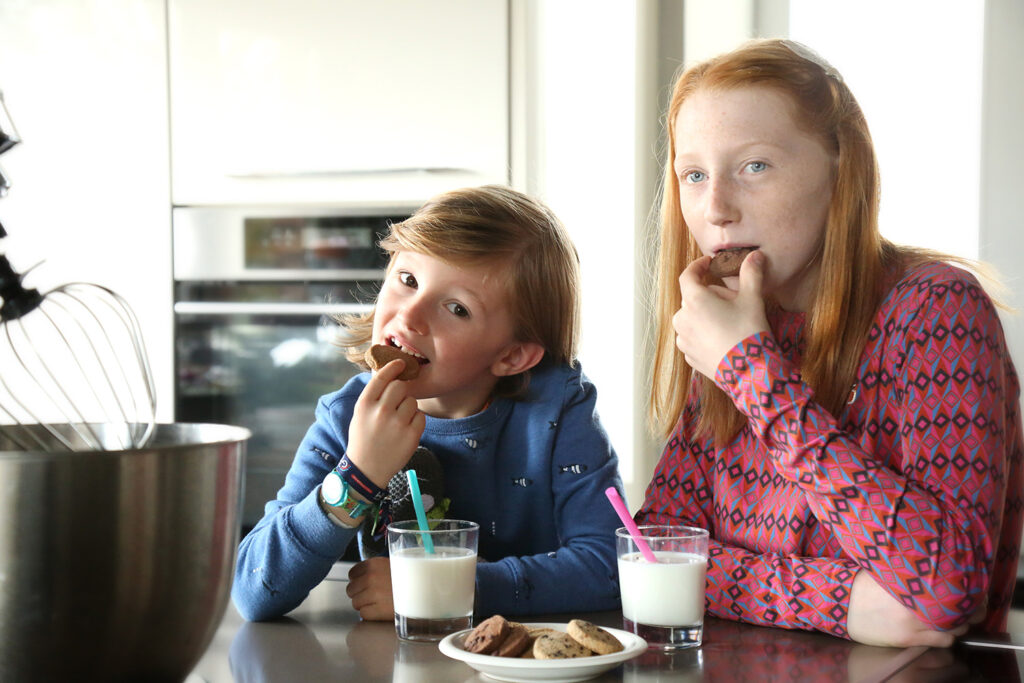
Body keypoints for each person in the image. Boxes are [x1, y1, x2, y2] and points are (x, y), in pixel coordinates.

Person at [637, 38, 1023, 648]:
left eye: (754, 166)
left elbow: (946, 588)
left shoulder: (936, 311)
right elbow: (653, 557)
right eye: (694, 174)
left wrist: (752, 374)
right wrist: (846, 603)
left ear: (842, 165)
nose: (716, 208)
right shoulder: (730, 324)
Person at [232, 185, 625, 622]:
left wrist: (444, 589)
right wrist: (357, 475)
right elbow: (253, 591)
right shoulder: (347, 417)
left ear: (511, 355)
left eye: (456, 308)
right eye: (408, 280)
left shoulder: (556, 411)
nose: (410, 316)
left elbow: (610, 568)